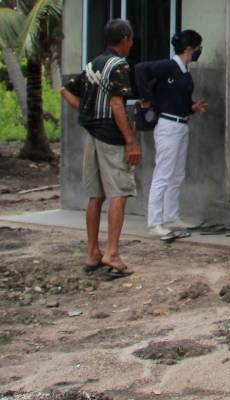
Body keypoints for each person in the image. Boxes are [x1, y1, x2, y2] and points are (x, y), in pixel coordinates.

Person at [60, 18, 141, 280]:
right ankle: (113, 253)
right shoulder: (119, 65)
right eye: (131, 38)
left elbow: (65, 90)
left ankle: (93, 252)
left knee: (96, 195)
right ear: (126, 38)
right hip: (111, 137)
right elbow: (117, 105)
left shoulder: (93, 64)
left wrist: (88, 113)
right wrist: (130, 141)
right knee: (119, 192)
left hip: (91, 135)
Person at [135, 30, 208, 241]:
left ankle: (171, 216)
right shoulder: (169, 66)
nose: (200, 51)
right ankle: (155, 221)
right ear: (189, 49)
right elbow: (140, 69)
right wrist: (146, 100)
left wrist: (192, 107)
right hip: (168, 125)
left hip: (181, 123)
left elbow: (177, 97)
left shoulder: (183, 70)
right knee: (164, 173)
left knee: (177, 174)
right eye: (199, 48)